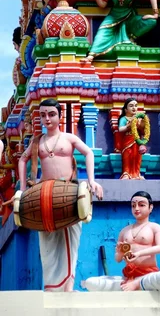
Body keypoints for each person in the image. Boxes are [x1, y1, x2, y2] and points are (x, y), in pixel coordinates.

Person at [18, 99, 103, 292]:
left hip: (69, 194)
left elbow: (88, 153)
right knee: (47, 243)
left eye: (51, 114)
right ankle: (51, 286)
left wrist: (91, 181)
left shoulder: (68, 138)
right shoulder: (37, 141)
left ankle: (67, 285)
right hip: (44, 197)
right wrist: (23, 189)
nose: (47, 119)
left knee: (70, 243)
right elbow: (22, 161)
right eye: (42, 115)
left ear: (59, 116)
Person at [82, 191, 160, 291]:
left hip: (149, 274)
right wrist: (120, 253)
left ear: (150, 207)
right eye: (133, 205)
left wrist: (139, 253)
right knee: (91, 282)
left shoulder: (155, 227)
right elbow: (117, 259)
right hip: (128, 277)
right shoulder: (124, 230)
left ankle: (138, 283)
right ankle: (135, 283)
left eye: (141, 205)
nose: (136, 208)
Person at [118, 98, 150, 180]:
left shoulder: (139, 119)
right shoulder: (124, 119)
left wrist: (141, 125)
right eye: (131, 106)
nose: (134, 108)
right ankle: (126, 173)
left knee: (137, 156)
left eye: (136, 106)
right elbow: (120, 129)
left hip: (137, 141)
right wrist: (128, 126)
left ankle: (137, 174)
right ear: (125, 109)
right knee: (127, 155)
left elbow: (143, 132)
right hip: (127, 141)